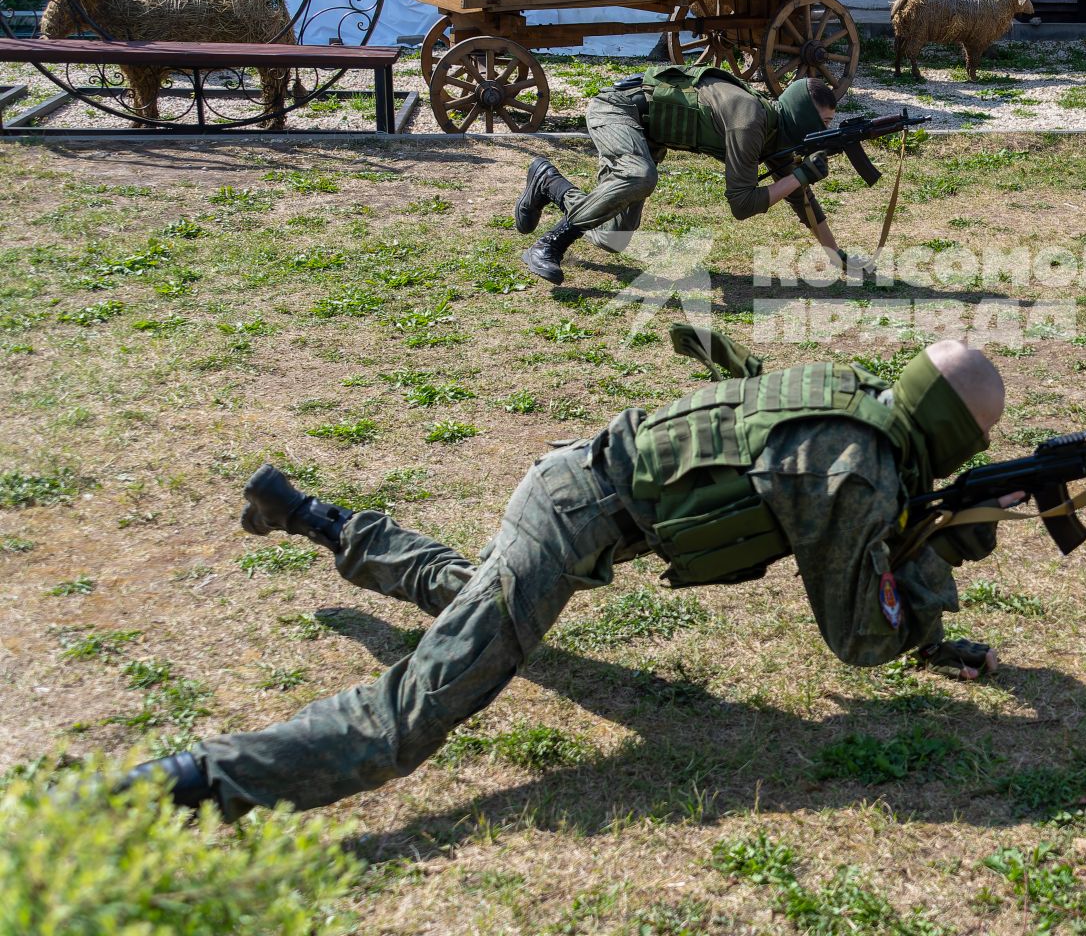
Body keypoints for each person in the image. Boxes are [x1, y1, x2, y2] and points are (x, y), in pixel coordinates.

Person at [126, 331, 1015, 818]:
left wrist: (929, 594)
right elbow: (860, 634)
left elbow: (873, 560)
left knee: (466, 599)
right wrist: (942, 559)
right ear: (952, 439)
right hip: (572, 514)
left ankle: (310, 516)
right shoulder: (848, 471)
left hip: (582, 504)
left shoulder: (857, 403)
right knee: (419, 706)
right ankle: (190, 781)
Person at [514, 67, 849, 285]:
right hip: (618, 110)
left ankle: (548, 183)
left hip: (648, 135)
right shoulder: (749, 119)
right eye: (823, 124)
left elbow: (799, 197)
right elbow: (742, 204)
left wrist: (837, 257)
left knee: (613, 237)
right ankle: (551, 244)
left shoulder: (774, 132)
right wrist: (802, 174)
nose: (825, 132)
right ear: (802, 117)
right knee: (640, 176)